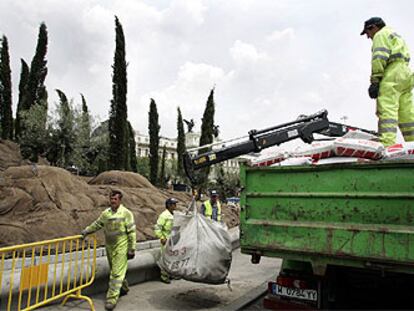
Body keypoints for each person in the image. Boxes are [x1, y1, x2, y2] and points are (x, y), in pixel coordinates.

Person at [361, 17, 414, 147]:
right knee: (406, 111)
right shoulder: (395, 34)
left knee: (387, 108)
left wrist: (375, 81)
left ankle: (386, 144)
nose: (368, 37)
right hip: (406, 73)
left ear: (373, 27)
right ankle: (412, 142)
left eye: (367, 33)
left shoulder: (380, 35)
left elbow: (379, 57)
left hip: (392, 73)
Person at [81, 190, 136, 311]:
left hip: (122, 247)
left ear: (120, 200)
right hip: (109, 247)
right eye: (111, 199)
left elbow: (132, 232)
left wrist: (132, 248)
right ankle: (124, 287)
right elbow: (97, 224)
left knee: (116, 273)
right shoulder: (106, 214)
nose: (112, 201)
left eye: (115, 199)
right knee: (116, 270)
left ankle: (111, 299)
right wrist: (86, 231)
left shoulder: (126, 213)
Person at [154, 197, 178, 284]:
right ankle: (164, 276)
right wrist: (161, 237)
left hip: (173, 240)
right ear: (169, 205)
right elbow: (157, 228)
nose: (175, 206)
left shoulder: (174, 214)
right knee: (165, 259)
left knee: (173, 257)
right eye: (173, 204)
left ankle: (172, 274)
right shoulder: (164, 215)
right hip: (166, 240)